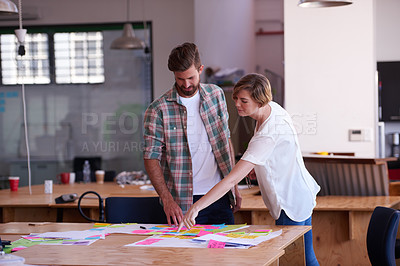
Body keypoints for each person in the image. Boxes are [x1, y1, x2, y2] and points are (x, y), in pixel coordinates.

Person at [178, 73, 321, 266]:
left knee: (296, 261)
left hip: (289, 203)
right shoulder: (272, 110)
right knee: (306, 258)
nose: (237, 104)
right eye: (236, 98)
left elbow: (230, 180)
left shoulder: (267, 134)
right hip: (300, 194)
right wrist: (260, 166)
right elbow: (280, 152)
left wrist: (196, 207)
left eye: (243, 100)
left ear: (260, 101)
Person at [143, 42, 241, 227]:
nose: (186, 84)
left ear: (200, 69)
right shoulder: (158, 110)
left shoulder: (216, 95)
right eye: (180, 79)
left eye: (190, 77)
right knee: (185, 255)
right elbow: (151, 157)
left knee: (225, 254)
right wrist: (167, 200)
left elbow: (225, 140)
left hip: (219, 197)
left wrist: (234, 186)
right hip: (181, 203)